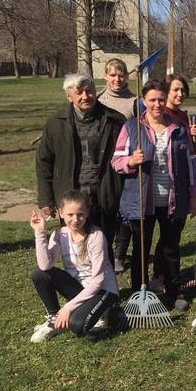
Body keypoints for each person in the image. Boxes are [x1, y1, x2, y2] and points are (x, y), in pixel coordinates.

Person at [112, 79, 196, 311]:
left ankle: (173, 290)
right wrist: (131, 161)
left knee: (171, 248)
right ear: (143, 101)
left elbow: (191, 163)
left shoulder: (178, 128)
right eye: (152, 100)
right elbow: (116, 161)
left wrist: (193, 196)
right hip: (142, 200)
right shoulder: (132, 127)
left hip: (172, 198)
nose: (157, 104)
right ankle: (139, 293)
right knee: (142, 248)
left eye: (161, 99)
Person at [36, 74, 125, 261]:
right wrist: (46, 200)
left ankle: (104, 285)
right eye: (79, 92)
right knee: (74, 245)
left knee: (103, 244)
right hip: (70, 195)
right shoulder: (55, 124)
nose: (86, 96)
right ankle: (78, 285)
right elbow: (44, 162)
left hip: (104, 193)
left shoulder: (114, 120)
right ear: (69, 96)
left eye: (90, 91)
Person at [28, 190, 119, 343]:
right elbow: (45, 266)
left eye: (80, 214)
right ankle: (54, 319)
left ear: (87, 213)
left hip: (103, 289)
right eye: (70, 215)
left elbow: (98, 281)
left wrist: (68, 308)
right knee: (39, 274)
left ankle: (104, 313)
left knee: (77, 326)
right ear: (61, 213)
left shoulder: (96, 236)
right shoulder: (59, 234)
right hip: (80, 288)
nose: (76, 219)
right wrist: (39, 232)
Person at [97, 58, 137, 274]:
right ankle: (105, 252)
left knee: (126, 211)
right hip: (104, 165)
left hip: (127, 163)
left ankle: (120, 252)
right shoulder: (99, 99)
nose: (116, 79)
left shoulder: (134, 101)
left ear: (126, 76)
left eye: (120, 75)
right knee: (108, 209)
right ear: (105, 76)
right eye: (112, 75)